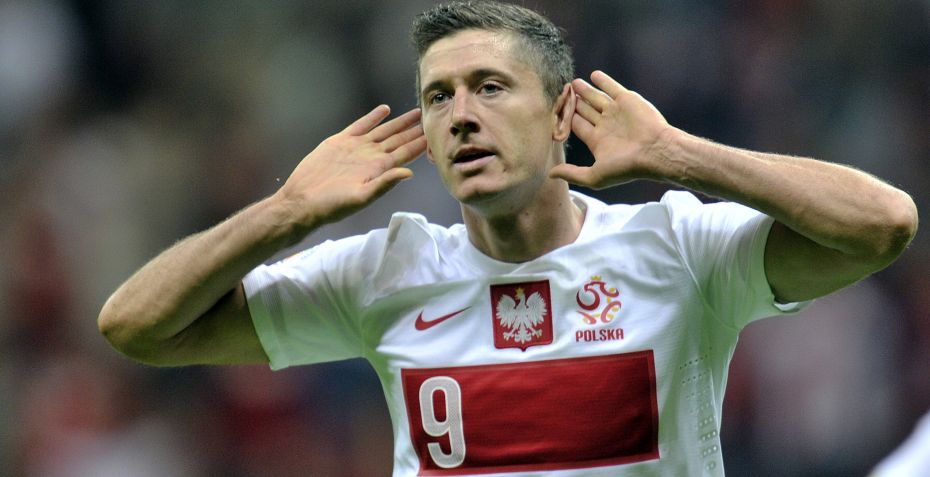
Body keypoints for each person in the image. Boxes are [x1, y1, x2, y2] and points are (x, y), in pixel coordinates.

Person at [98, 1, 918, 475]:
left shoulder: (678, 250)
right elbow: (137, 326)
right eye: (438, 97)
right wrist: (284, 211)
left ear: (563, 113)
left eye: (489, 87)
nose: (461, 115)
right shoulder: (382, 272)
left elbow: (881, 226)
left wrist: (679, 155)